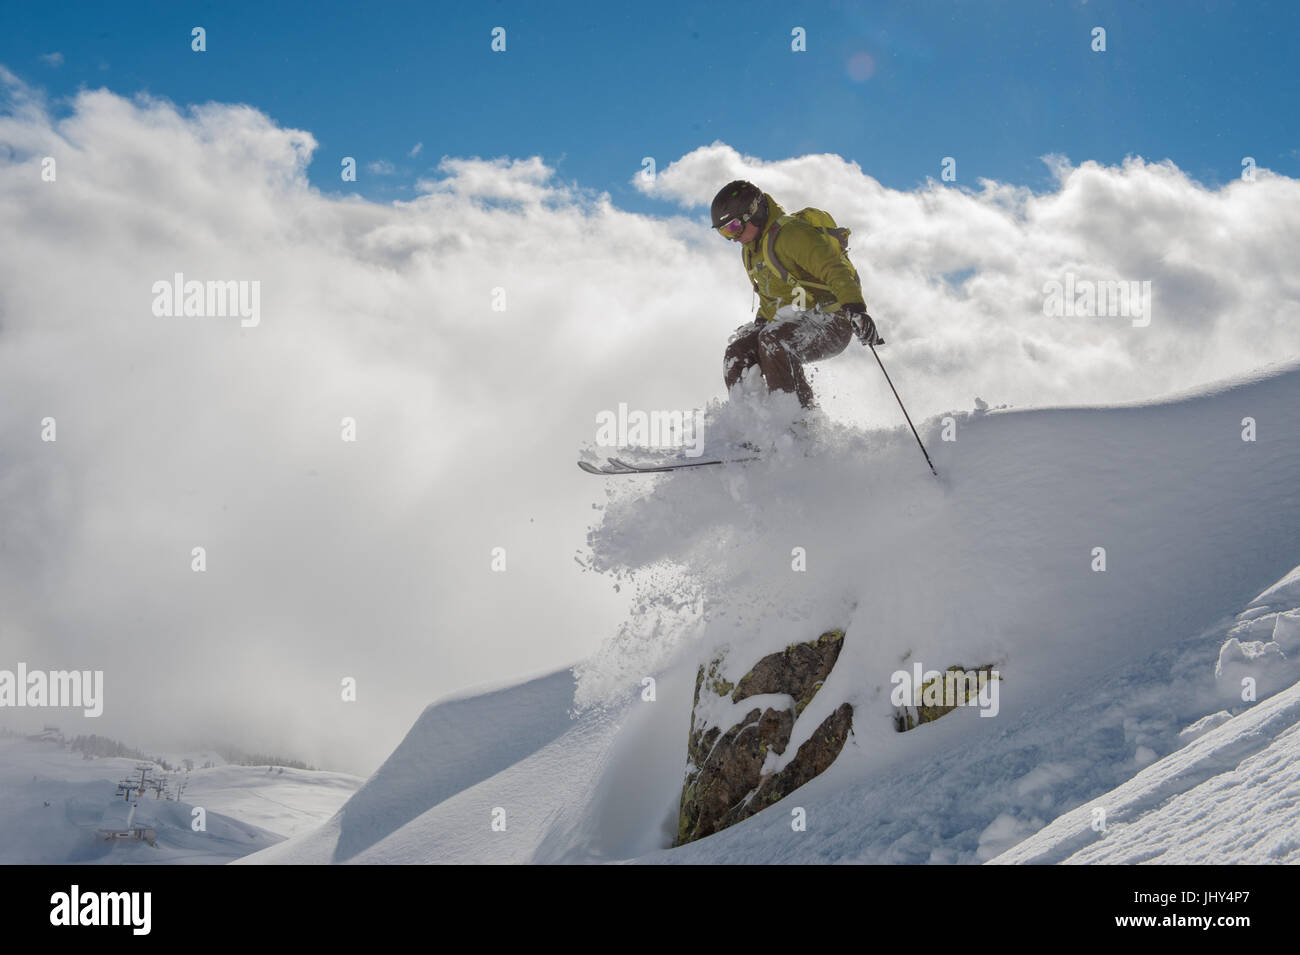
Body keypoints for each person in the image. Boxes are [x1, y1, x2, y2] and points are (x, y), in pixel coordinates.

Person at [711, 180, 882, 409]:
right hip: (792, 321)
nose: (733, 238)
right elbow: (771, 296)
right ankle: (751, 430)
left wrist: (856, 309)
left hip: (832, 321)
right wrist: (760, 324)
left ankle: (796, 426)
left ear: (752, 213)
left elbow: (833, 269)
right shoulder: (751, 250)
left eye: (733, 228)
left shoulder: (791, 234)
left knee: (774, 341)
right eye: (724, 233)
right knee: (738, 352)